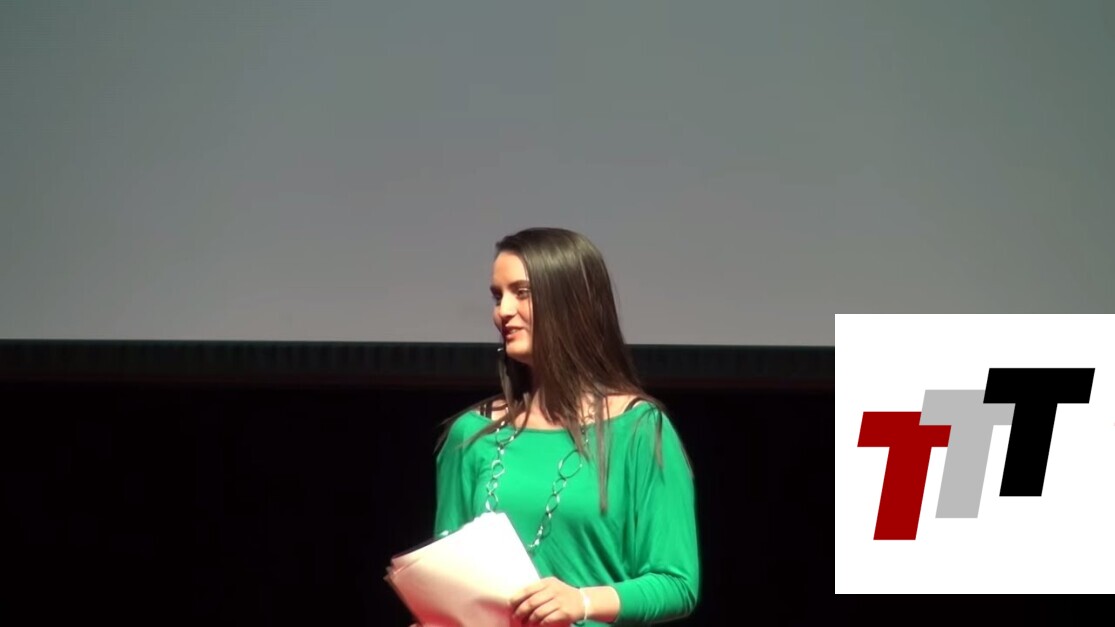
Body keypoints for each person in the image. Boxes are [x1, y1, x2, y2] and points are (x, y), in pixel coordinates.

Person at [430, 227, 699, 626]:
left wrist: (583, 601)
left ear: (571, 303)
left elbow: (676, 582)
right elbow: (443, 582)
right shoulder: (470, 434)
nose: (503, 311)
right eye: (498, 296)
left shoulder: (639, 430)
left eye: (522, 293)